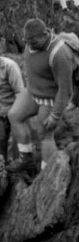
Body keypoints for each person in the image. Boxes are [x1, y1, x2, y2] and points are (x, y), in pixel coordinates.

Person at [7, 18, 76, 178]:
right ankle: (26, 157)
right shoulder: (30, 42)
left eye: (34, 42)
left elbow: (65, 89)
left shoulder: (59, 54)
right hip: (32, 91)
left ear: (45, 34)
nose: (30, 45)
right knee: (14, 115)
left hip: (51, 97)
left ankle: (47, 174)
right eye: (27, 42)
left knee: (45, 134)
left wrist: (55, 114)